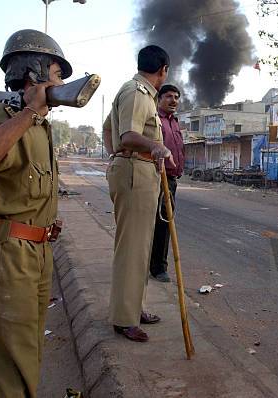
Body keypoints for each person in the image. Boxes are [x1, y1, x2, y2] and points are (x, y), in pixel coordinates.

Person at [0, 29, 71, 397]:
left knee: (29, 356)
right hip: (8, 255)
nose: (62, 83)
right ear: (34, 71)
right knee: (14, 367)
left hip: (36, 252)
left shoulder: (40, 124)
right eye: (56, 72)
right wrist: (28, 113)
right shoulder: (4, 115)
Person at [103, 45, 176, 342]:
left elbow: (107, 128)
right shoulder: (137, 92)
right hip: (135, 172)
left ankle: (135, 307)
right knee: (132, 249)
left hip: (141, 172)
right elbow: (127, 135)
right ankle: (124, 318)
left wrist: (115, 155)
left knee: (142, 247)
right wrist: (152, 147)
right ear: (163, 70)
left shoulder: (141, 94)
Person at [149, 84, 185, 283]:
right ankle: (158, 268)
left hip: (171, 180)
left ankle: (156, 264)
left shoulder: (175, 122)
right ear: (159, 99)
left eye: (176, 97)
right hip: (156, 177)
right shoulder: (155, 120)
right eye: (169, 96)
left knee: (164, 221)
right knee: (161, 221)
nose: (174, 101)